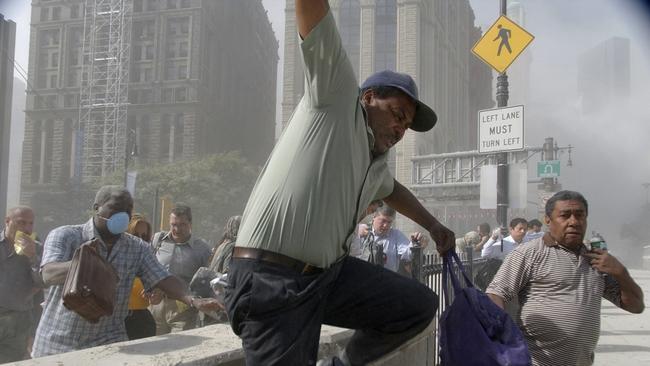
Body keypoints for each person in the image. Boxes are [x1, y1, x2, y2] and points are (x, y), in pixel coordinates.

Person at [224, 2, 455, 365]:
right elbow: (310, 12)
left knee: (417, 306)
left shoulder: (374, 161)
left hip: (327, 279)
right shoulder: (335, 97)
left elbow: (393, 190)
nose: (400, 129)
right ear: (367, 97)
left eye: (407, 125)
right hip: (271, 279)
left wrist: (434, 225)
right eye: (397, 115)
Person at [31, 186, 220, 357]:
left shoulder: (136, 248)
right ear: (97, 208)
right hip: (57, 344)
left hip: (109, 344)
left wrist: (193, 299)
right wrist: (85, 263)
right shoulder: (66, 236)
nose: (122, 216)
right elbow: (48, 274)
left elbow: (163, 277)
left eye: (127, 210)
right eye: (115, 209)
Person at [487, 190, 645, 366]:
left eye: (580, 216)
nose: (573, 222)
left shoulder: (596, 260)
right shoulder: (528, 253)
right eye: (565, 216)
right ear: (548, 220)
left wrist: (621, 273)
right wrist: (505, 339)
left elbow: (636, 306)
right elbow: (495, 294)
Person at [150, 205, 212, 334]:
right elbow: (149, 268)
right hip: (156, 305)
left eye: (182, 224)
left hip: (183, 309)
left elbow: (206, 281)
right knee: (154, 347)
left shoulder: (202, 248)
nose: (177, 229)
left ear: (190, 224)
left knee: (179, 348)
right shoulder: (158, 240)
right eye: (173, 224)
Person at [0, 206, 42, 362]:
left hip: (19, 320)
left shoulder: (37, 248)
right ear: (7, 221)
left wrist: (32, 257)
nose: (26, 229)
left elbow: (43, 282)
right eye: (21, 223)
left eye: (30, 224)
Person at [359, 206, 426, 274]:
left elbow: (406, 255)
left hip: (386, 279)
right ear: (374, 217)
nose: (386, 225)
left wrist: (414, 243)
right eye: (383, 221)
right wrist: (357, 234)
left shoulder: (395, 235)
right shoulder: (360, 230)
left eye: (389, 222)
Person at [124, 214, 159, 340]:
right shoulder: (116, 258)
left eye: (144, 236)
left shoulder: (148, 260)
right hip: (117, 321)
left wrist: (156, 294)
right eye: (135, 235)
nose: (140, 240)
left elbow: (159, 290)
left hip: (142, 321)